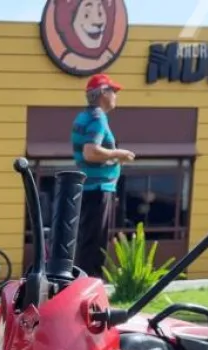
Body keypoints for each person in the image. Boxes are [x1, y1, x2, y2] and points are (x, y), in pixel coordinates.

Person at [72, 72, 135, 277]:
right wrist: (119, 154)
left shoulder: (84, 116)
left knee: (88, 239)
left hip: (91, 187)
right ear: (103, 93)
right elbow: (90, 152)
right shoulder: (98, 119)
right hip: (98, 189)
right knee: (95, 242)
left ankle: (83, 280)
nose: (116, 95)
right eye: (113, 91)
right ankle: (89, 284)